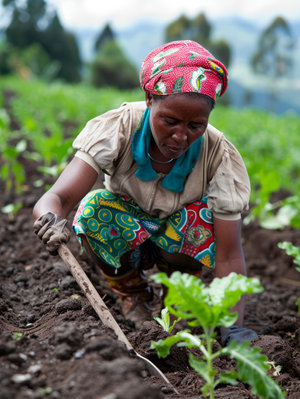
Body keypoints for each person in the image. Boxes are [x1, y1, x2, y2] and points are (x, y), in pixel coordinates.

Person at [33, 40, 257, 344]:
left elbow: (230, 255)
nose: (181, 136)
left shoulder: (219, 154)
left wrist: (233, 326)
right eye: (170, 121)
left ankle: (177, 299)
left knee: (203, 220)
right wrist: (50, 219)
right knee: (93, 209)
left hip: (178, 242)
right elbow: (57, 198)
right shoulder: (121, 127)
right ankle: (132, 293)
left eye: (196, 125)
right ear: (150, 99)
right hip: (126, 228)